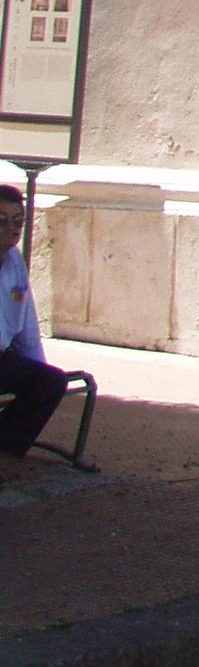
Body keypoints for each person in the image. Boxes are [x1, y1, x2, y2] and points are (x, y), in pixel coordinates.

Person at [0, 183, 69, 474]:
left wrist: (37, 370)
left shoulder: (15, 261)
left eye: (19, 221)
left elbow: (26, 328)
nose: (12, 229)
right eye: (2, 220)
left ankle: (3, 452)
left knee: (50, 382)